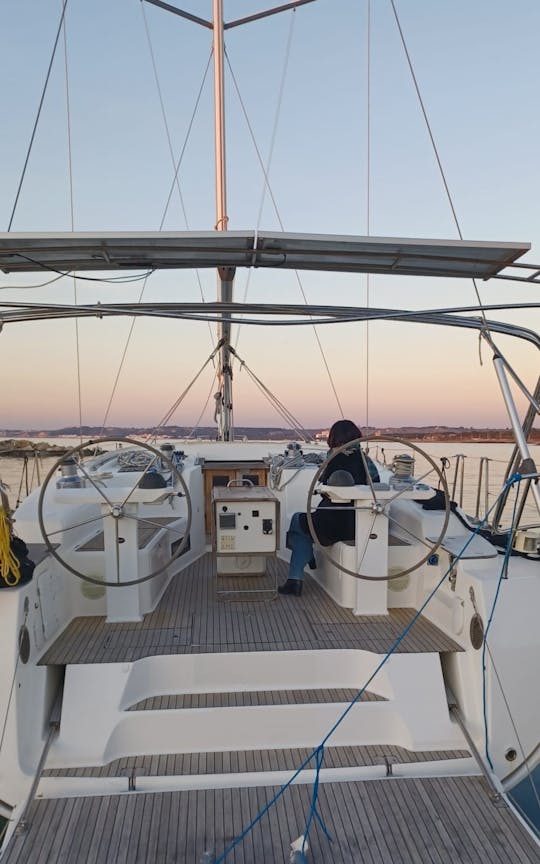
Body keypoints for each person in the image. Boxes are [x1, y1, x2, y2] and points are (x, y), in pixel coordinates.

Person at [278, 419, 377, 597]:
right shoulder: (365, 460)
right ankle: (303, 564)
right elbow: (375, 485)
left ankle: (296, 577)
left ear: (333, 438)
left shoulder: (332, 457)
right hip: (358, 525)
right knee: (303, 525)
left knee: (297, 522)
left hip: (330, 526)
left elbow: (324, 489)